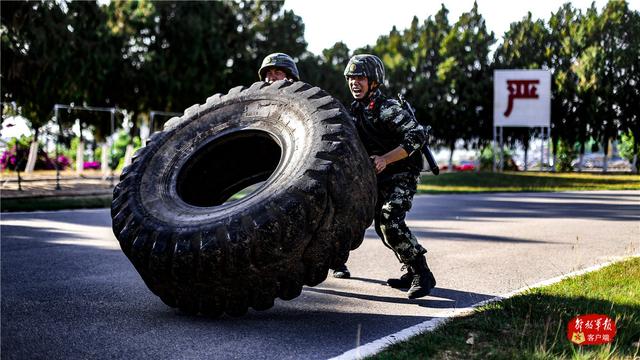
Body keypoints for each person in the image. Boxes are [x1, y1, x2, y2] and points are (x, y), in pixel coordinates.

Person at [341, 54, 436, 299]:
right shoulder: (356, 110)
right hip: (378, 178)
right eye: (351, 78)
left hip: (402, 173)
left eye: (360, 77)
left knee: (389, 219)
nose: (354, 83)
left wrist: (385, 159)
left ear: (373, 81)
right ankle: (408, 269)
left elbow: (416, 136)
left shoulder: (386, 108)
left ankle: (422, 274)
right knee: (383, 229)